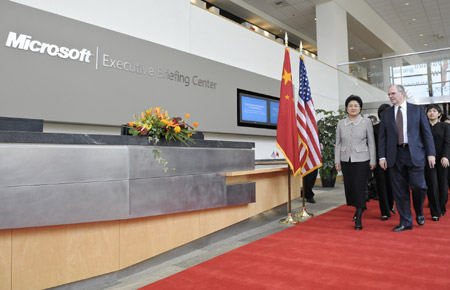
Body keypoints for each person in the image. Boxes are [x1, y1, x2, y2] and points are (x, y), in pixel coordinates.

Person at [378, 84, 436, 232]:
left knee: (420, 186)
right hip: (395, 155)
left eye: (393, 93)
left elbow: (426, 133)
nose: (390, 96)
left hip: (415, 154)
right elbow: (382, 138)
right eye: (389, 94)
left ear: (402, 94)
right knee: (400, 191)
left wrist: (431, 154)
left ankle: (419, 210)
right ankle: (405, 222)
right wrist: (382, 156)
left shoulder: (417, 110)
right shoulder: (386, 114)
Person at [335, 95, 376, 230]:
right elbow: (338, 144)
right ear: (346, 108)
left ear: (360, 108)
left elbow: (371, 143)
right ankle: (359, 206)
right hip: (346, 159)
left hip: (362, 159)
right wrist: (337, 161)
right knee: (350, 187)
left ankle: (358, 216)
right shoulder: (341, 123)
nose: (353, 108)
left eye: (356, 106)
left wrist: (373, 160)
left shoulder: (366, 122)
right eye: (350, 106)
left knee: (359, 185)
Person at [425, 104, 450, 219]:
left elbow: (447, 143)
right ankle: (435, 211)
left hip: (442, 160)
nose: (432, 113)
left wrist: (446, 157)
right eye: (430, 111)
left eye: (435, 111)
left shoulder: (445, 126)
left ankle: (441, 207)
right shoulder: (424, 126)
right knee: (432, 184)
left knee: (442, 184)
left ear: (439, 113)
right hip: (428, 160)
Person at [373, 104, 395, 221]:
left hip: (393, 161)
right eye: (382, 113)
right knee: (381, 186)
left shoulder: (396, 126)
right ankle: (385, 212)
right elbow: (373, 145)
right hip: (378, 161)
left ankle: (391, 204)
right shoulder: (375, 128)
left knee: (391, 185)